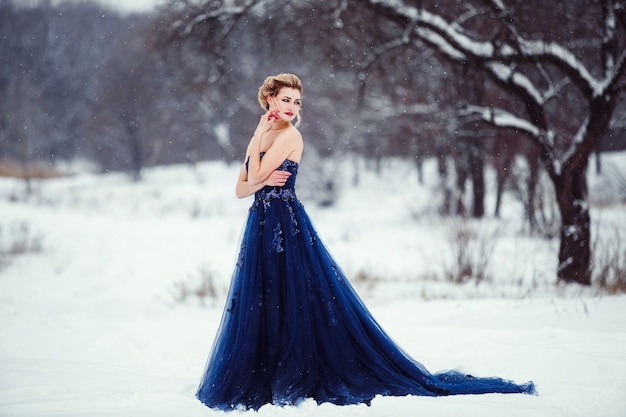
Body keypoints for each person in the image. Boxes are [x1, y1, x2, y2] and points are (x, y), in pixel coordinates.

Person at [196, 73, 536, 411]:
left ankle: (304, 365)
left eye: (296, 101)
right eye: (285, 100)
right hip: (260, 222)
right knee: (263, 295)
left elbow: (252, 176)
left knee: (297, 295)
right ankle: (263, 372)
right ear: (269, 100)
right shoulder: (265, 134)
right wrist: (258, 139)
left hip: (285, 221)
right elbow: (241, 189)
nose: (291, 106)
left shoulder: (290, 136)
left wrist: (260, 170)